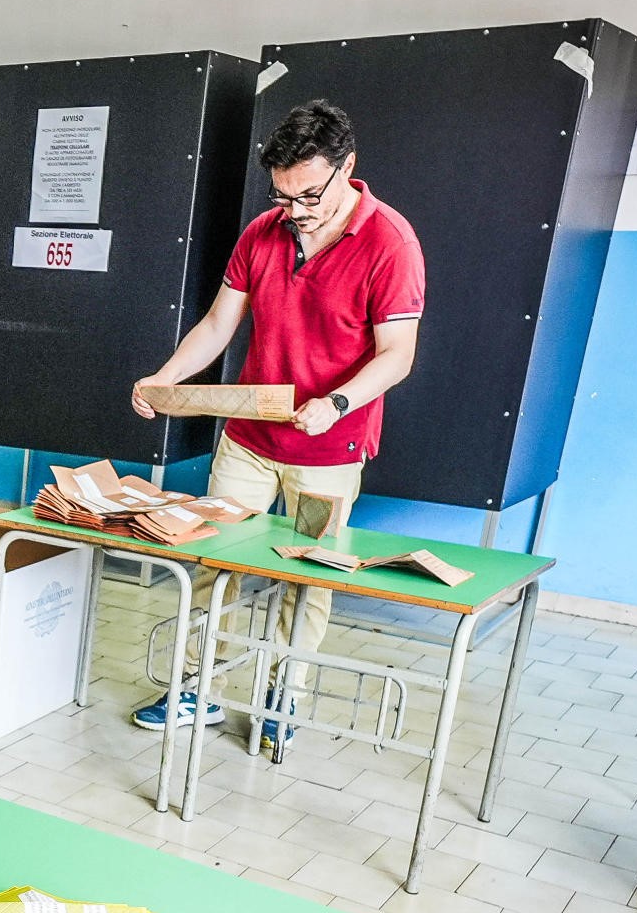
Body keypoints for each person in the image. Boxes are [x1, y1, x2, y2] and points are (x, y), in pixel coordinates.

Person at [127, 100, 424, 731]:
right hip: (249, 438)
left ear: (349, 167)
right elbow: (217, 324)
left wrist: (336, 402)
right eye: (284, 196)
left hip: (331, 446)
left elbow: (397, 355)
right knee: (218, 559)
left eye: (311, 195)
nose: (297, 211)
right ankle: (196, 688)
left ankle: (283, 694)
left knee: (309, 577)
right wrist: (165, 379)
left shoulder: (390, 242)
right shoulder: (263, 233)